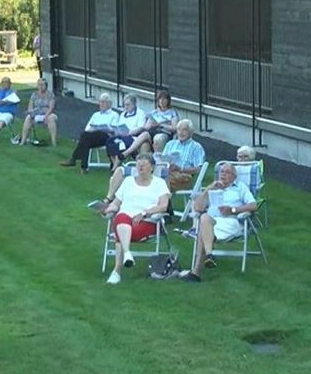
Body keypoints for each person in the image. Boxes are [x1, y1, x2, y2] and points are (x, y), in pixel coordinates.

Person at [179, 162, 258, 283]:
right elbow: (198, 208)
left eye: (227, 172)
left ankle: (197, 272)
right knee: (204, 217)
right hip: (211, 222)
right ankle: (208, 257)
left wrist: (232, 210)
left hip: (230, 222)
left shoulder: (240, 187)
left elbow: (253, 205)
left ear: (234, 176)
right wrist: (208, 189)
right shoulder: (212, 188)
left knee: (202, 231)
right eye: (221, 172)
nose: (223, 174)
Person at [100, 154, 170, 285]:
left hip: (147, 221)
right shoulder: (128, 181)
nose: (140, 167)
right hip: (124, 219)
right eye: (138, 164)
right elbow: (116, 203)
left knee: (120, 230)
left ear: (152, 167)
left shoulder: (159, 183)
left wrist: (144, 213)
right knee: (120, 217)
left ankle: (117, 271)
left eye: (143, 164)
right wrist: (108, 209)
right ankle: (127, 254)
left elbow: (163, 206)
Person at [59, 93, 119, 174]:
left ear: (109, 103)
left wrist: (103, 128)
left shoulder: (114, 115)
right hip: (93, 136)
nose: (100, 104)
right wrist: (93, 129)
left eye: (103, 102)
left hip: (106, 137)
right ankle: (83, 167)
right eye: (100, 102)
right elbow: (87, 128)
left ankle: (74, 159)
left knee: (85, 137)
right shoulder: (96, 115)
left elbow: (115, 129)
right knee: (85, 138)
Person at [121, 89, 179, 156]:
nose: (161, 101)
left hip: (165, 133)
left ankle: (158, 160)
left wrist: (161, 125)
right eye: (160, 99)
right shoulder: (154, 112)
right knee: (144, 137)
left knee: (158, 137)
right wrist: (151, 126)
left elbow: (175, 128)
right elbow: (146, 127)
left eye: (164, 99)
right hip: (153, 132)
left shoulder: (172, 112)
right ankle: (128, 154)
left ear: (168, 100)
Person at [158, 119, 206, 192]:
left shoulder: (196, 147)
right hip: (168, 172)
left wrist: (180, 169)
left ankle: (164, 201)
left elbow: (199, 169)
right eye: (179, 130)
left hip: (184, 175)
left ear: (191, 132)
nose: (181, 133)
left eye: (184, 130)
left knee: (161, 181)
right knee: (151, 178)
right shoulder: (170, 144)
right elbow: (162, 162)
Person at [104, 94, 147, 170]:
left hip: (133, 136)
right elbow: (119, 126)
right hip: (122, 135)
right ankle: (116, 164)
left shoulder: (140, 113)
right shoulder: (123, 114)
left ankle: (115, 168)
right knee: (109, 141)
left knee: (122, 144)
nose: (126, 107)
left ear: (134, 104)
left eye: (128, 105)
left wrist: (130, 132)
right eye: (125, 105)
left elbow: (141, 127)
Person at [15, 78, 57, 146]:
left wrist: (46, 116)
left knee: (51, 118)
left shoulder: (50, 95)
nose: (40, 86)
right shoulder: (34, 94)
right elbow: (30, 106)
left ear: (46, 85)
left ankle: (54, 142)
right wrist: (31, 113)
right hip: (37, 114)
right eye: (39, 85)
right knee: (28, 118)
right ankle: (23, 141)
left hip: (48, 113)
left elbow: (51, 107)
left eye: (42, 85)